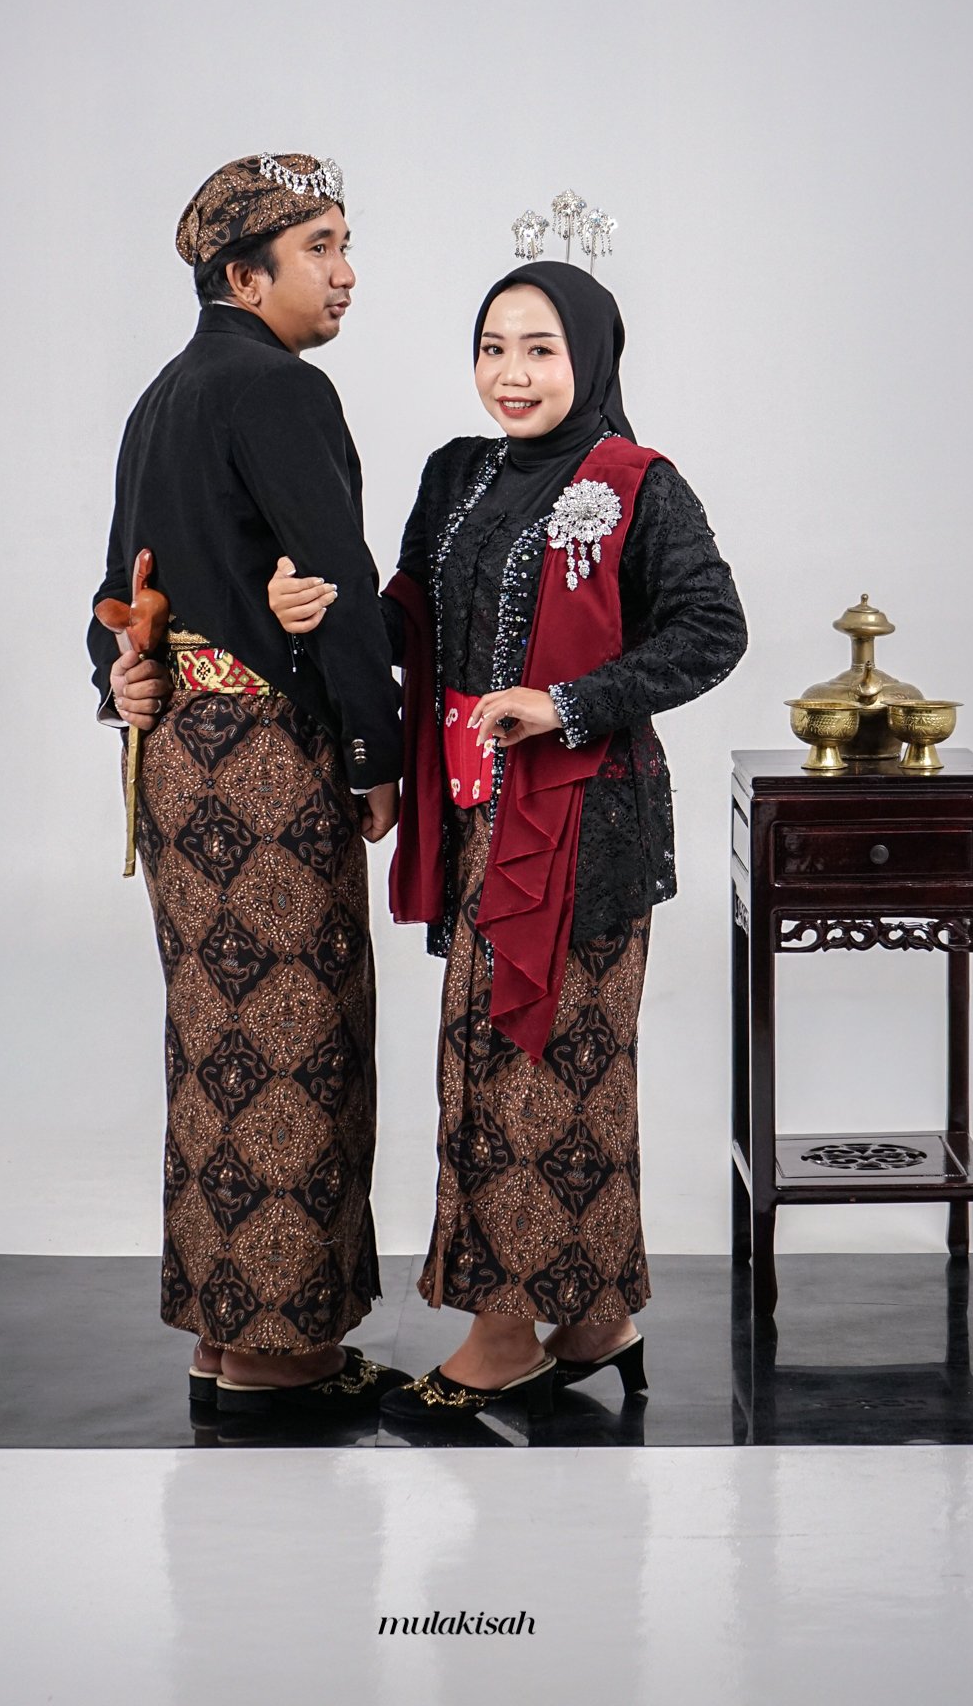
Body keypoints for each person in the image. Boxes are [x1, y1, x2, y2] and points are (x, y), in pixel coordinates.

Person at [270, 258, 746, 1423]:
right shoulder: (457, 472)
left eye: (539, 348)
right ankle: (591, 1318)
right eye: (492, 347)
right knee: (500, 1066)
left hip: (587, 822)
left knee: (544, 1074)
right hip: (478, 813)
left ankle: (502, 1336)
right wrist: (323, 609)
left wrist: (567, 702)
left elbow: (712, 628)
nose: (511, 373)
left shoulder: (636, 482)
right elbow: (413, 615)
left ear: (591, 356)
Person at [89, 151, 408, 1418]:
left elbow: (116, 591)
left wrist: (123, 677)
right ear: (243, 275)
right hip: (269, 764)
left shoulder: (164, 395)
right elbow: (339, 580)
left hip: (178, 763)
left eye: (344, 242)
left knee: (218, 1043)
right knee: (295, 1042)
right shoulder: (280, 388)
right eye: (320, 246)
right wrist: (377, 754)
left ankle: (226, 1338)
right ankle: (285, 1357)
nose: (345, 271)